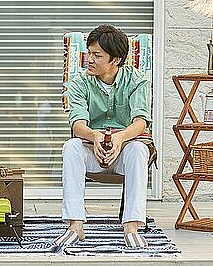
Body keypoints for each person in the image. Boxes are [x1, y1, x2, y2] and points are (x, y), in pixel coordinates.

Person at [56, 25, 152, 248]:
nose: (89, 59)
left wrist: (119, 139)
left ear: (115, 60)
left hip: (123, 153)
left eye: (97, 55)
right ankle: (75, 225)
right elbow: (77, 124)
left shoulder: (137, 81)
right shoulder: (80, 82)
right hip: (92, 150)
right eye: (89, 53)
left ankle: (131, 226)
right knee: (71, 147)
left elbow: (140, 122)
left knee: (139, 150)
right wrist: (95, 136)